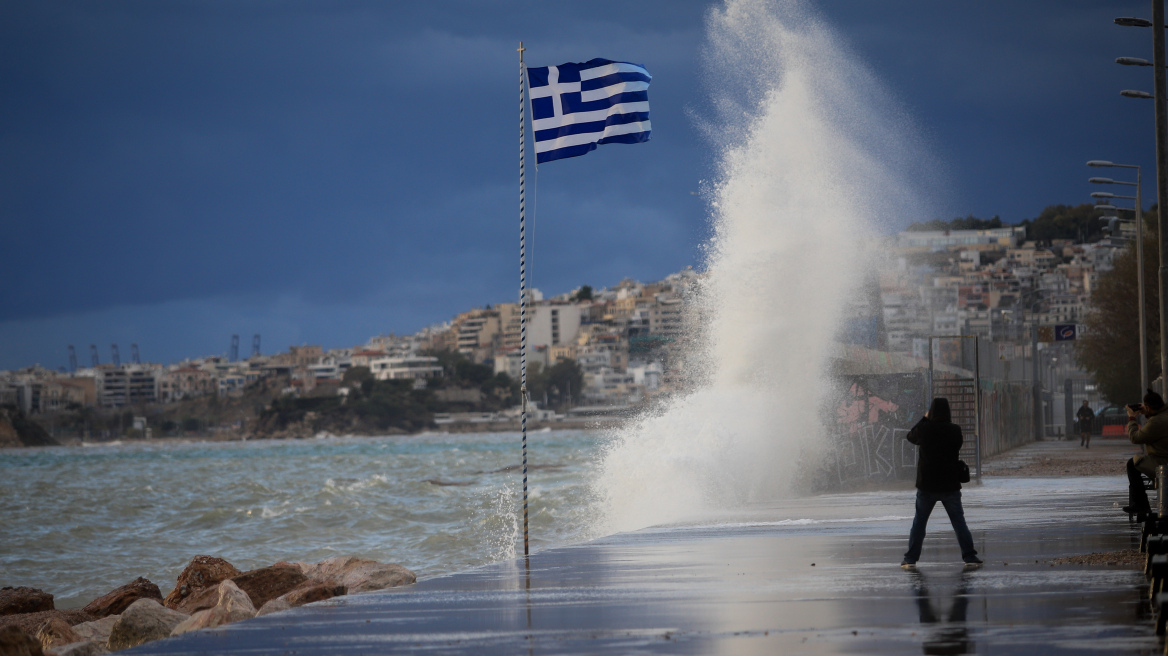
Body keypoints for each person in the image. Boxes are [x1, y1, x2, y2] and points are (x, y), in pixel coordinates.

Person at [901, 397, 982, 569]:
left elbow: (910, 436)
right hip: (950, 484)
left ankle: (910, 559)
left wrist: (924, 418)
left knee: (919, 523)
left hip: (927, 485)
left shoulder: (924, 429)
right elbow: (957, 446)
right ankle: (970, 557)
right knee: (959, 522)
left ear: (932, 411)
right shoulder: (954, 430)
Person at [1123, 389, 1168, 514]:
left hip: (1163, 461)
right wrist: (1148, 412)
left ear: (1148, 407)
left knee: (1133, 464)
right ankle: (1140, 504)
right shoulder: (1163, 414)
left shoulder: (1157, 421)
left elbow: (1136, 437)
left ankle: (1141, 505)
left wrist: (1132, 418)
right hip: (1164, 456)